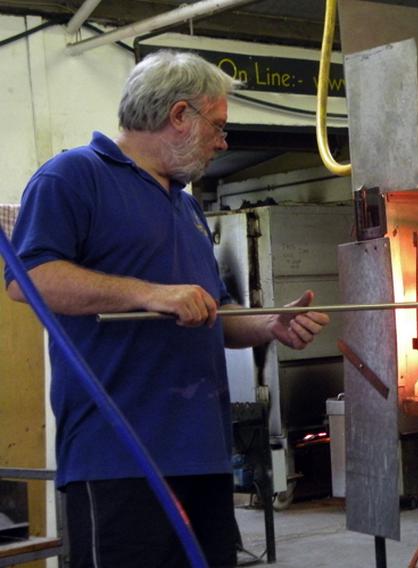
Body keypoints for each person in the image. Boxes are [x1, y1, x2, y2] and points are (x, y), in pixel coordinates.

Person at [4, 50, 329, 567]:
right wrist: (150, 293)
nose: (222, 142)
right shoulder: (72, 176)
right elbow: (28, 281)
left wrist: (269, 324)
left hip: (201, 453)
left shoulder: (186, 203)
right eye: (218, 126)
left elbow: (214, 312)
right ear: (180, 116)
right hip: (118, 455)